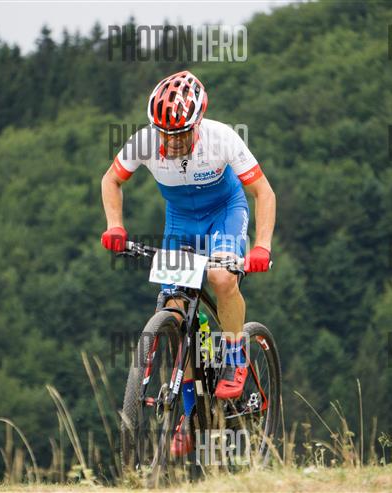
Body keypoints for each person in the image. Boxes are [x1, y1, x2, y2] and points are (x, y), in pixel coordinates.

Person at [100, 70, 276, 456]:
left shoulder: (222, 138)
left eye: (180, 134)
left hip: (225, 213)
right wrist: (115, 225)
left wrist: (261, 246)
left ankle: (236, 355)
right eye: (166, 134)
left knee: (221, 278)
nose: (172, 142)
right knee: (174, 309)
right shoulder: (145, 142)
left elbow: (263, 192)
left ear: (197, 124)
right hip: (180, 224)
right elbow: (110, 180)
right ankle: (191, 414)